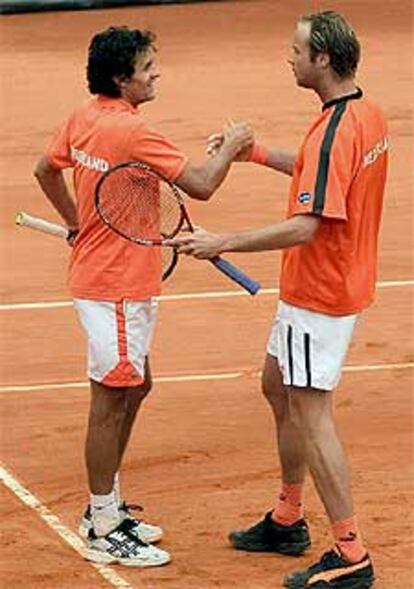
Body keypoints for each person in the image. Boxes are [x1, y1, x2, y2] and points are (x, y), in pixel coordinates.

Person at [169, 11, 388, 589]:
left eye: (296, 50)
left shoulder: (339, 127)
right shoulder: (362, 114)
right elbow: (322, 171)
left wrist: (223, 241)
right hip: (334, 285)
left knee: (312, 415)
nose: (287, 57)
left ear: (322, 59)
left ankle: (350, 554)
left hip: (320, 292)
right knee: (276, 384)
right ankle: (289, 518)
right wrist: (258, 153)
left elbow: (306, 225)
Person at [34, 26, 253, 567]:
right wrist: (231, 146)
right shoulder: (132, 132)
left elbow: (45, 169)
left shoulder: (84, 117)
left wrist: (76, 222)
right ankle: (103, 523)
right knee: (110, 401)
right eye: (147, 67)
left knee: (136, 386)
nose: (156, 74)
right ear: (121, 78)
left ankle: (105, 504)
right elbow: (201, 183)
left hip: (108, 279)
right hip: (115, 287)